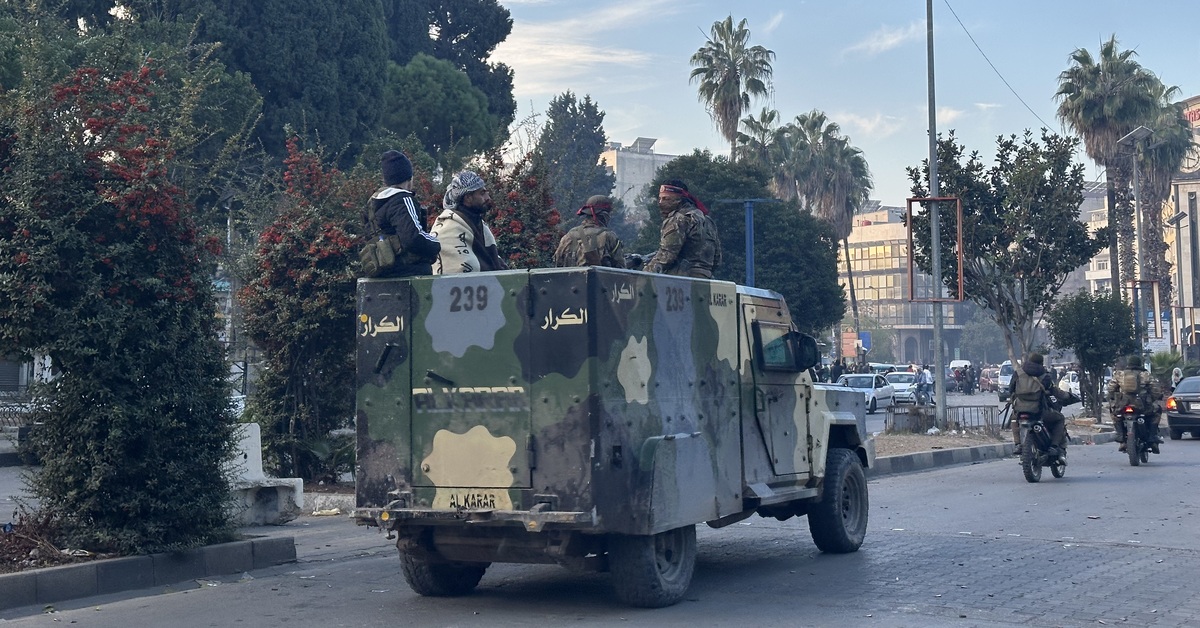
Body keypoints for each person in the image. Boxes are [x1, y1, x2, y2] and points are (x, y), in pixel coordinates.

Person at [362, 150, 441, 277]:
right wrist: (436, 244)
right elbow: (413, 237)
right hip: (411, 274)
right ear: (409, 178)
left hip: (381, 275)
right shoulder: (404, 199)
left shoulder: (372, 204)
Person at [432, 171, 508, 274]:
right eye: (482, 193)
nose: (488, 198)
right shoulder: (448, 227)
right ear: (468, 198)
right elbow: (457, 270)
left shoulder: (477, 223)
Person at [645, 180, 721, 278]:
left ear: (679, 200)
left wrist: (643, 274)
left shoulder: (679, 219)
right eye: (659, 199)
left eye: (666, 199)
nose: (661, 203)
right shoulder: (708, 221)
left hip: (681, 283)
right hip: (706, 281)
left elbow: (666, 256)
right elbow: (717, 259)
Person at [1008, 352, 1071, 458]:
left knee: (1014, 420)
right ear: (1041, 363)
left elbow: (1011, 389)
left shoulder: (1018, 373)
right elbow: (1055, 391)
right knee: (1060, 419)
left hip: (1019, 410)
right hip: (1039, 411)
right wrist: (1067, 396)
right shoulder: (1044, 375)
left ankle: (1018, 444)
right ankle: (1054, 446)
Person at [1107, 354, 1163, 453]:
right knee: (1157, 410)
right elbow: (1155, 390)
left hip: (1123, 405)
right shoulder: (1145, 375)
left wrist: (1112, 398)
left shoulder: (1120, 374)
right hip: (1142, 406)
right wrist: (1153, 399)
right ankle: (1152, 436)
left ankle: (1120, 434)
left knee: (1114, 413)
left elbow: (1111, 388)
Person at [553, 195, 625, 268]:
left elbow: (558, 264)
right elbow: (620, 270)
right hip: (596, 279)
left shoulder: (568, 236)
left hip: (568, 279)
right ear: (604, 215)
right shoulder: (609, 236)